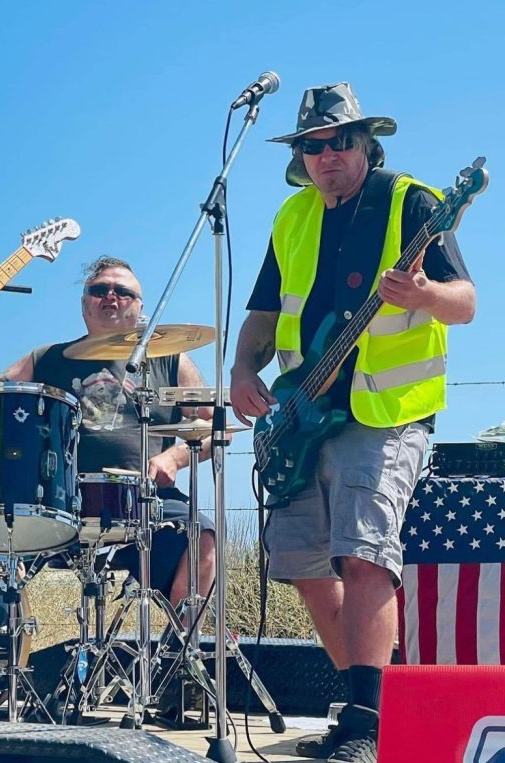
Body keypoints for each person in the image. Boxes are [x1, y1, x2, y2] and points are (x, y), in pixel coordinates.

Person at [230, 83, 475, 763]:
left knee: (364, 552)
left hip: (386, 413)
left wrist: (423, 292)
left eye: (341, 141)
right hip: (300, 412)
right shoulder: (292, 217)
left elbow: (466, 303)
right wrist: (241, 373)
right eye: (314, 145)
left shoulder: (413, 201)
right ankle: (367, 706)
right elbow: (262, 312)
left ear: (366, 143)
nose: (328, 154)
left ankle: (368, 725)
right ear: (301, 156)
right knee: (306, 564)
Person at [0, 256, 217, 608]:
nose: (111, 296)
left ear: (139, 306)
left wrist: (175, 457)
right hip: (58, 500)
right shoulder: (48, 357)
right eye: (99, 289)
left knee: (202, 534)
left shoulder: (168, 358)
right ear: (84, 303)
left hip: (143, 500)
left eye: (123, 291)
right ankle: (8, 644)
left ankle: (181, 647)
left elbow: (215, 425)